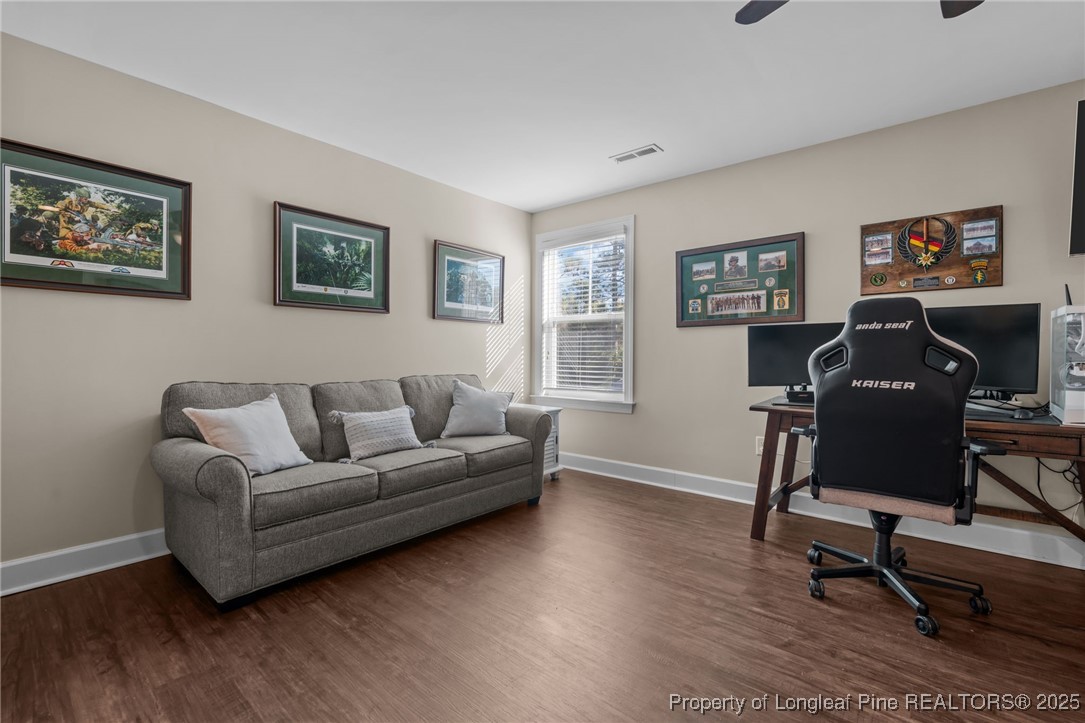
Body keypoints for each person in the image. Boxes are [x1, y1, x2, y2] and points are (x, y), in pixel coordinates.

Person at [54, 187, 117, 253]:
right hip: (67, 222)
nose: (87, 200)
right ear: (79, 197)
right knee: (66, 236)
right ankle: (62, 246)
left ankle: (88, 245)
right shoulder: (68, 202)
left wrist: (110, 208)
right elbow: (59, 210)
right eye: (85, 199)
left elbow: (96, 204)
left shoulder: (85, 203)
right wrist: (71, 216)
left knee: (89, 230)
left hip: (79, 221)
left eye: (87, 199)